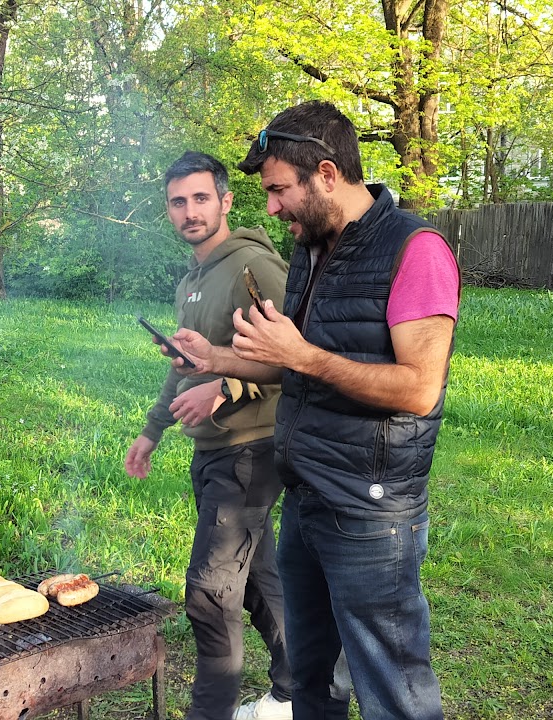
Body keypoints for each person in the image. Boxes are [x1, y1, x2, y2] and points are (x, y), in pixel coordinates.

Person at [169, 101, 460, 720]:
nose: (271, 207)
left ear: (326, 174)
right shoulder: (310, 248)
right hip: (305, 497)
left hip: (371, 509)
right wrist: (219, 359)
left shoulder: (417, 249)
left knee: (393, 689)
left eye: (279, 190)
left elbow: (419, 389)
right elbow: (291, 361)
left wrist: (303, 354)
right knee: (312, 680)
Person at [125, 151, 296, 720]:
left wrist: (224, 391)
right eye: (178, 202)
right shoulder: (192, 282)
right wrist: (154, 430)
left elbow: (298, 358)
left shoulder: (255, 267)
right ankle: (301, 691)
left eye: (201, 198)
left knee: (209, 592)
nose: (190, 211)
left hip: (254, 448)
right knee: (258, 580)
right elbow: (186, 364)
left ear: (225, 201)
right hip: (212, 451)